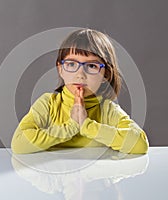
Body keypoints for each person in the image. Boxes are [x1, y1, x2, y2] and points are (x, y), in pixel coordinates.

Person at [11, 28, 149, 154]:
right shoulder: (48, 104)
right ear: (60, 69)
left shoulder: (107, 110)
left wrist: (86, 125)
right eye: (71, 64)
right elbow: (18, 144)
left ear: (105, 75)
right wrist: (71, 127)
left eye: (91, 66)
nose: (80, 74)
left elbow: (140, 145)